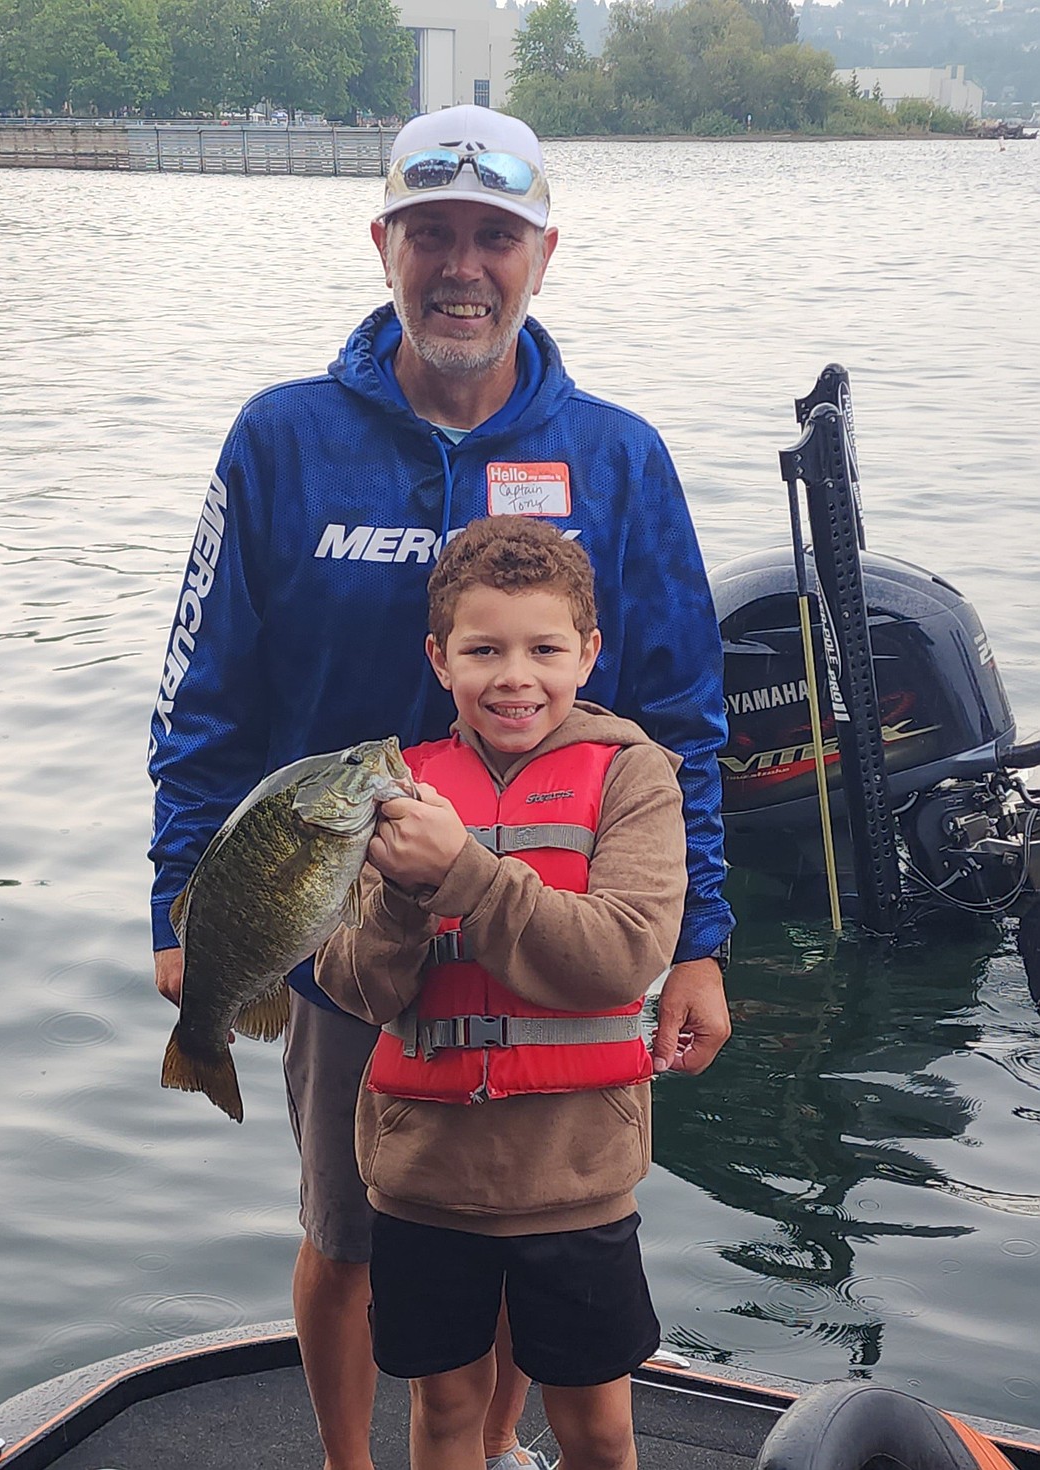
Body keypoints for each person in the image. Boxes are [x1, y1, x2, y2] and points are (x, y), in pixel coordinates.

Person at [147, 103, 733, 1470]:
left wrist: (697, 940)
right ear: (384, 245)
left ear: (541, 255)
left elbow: (685, 713)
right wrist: (179, 908)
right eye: (431, 236)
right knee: (349, 1232)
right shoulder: (280, 440)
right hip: (345, 932)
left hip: (557, 923)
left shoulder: (620, 455)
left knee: (530, 1228)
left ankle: (499, 1443)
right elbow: (201, 697)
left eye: (492, 237)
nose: (460, 266)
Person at [315, 515, 690, 1470]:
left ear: (589, 653)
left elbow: (624, 954)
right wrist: (404, 897)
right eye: (483, 649)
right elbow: (355, 985)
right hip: (427, 1178)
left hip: (575, 1179)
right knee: (445, 1414)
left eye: (544, 648)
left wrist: (464, 876)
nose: (514, 675)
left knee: (599, 1429)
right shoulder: (395, 788)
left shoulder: (633, 776)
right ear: (439, 659)